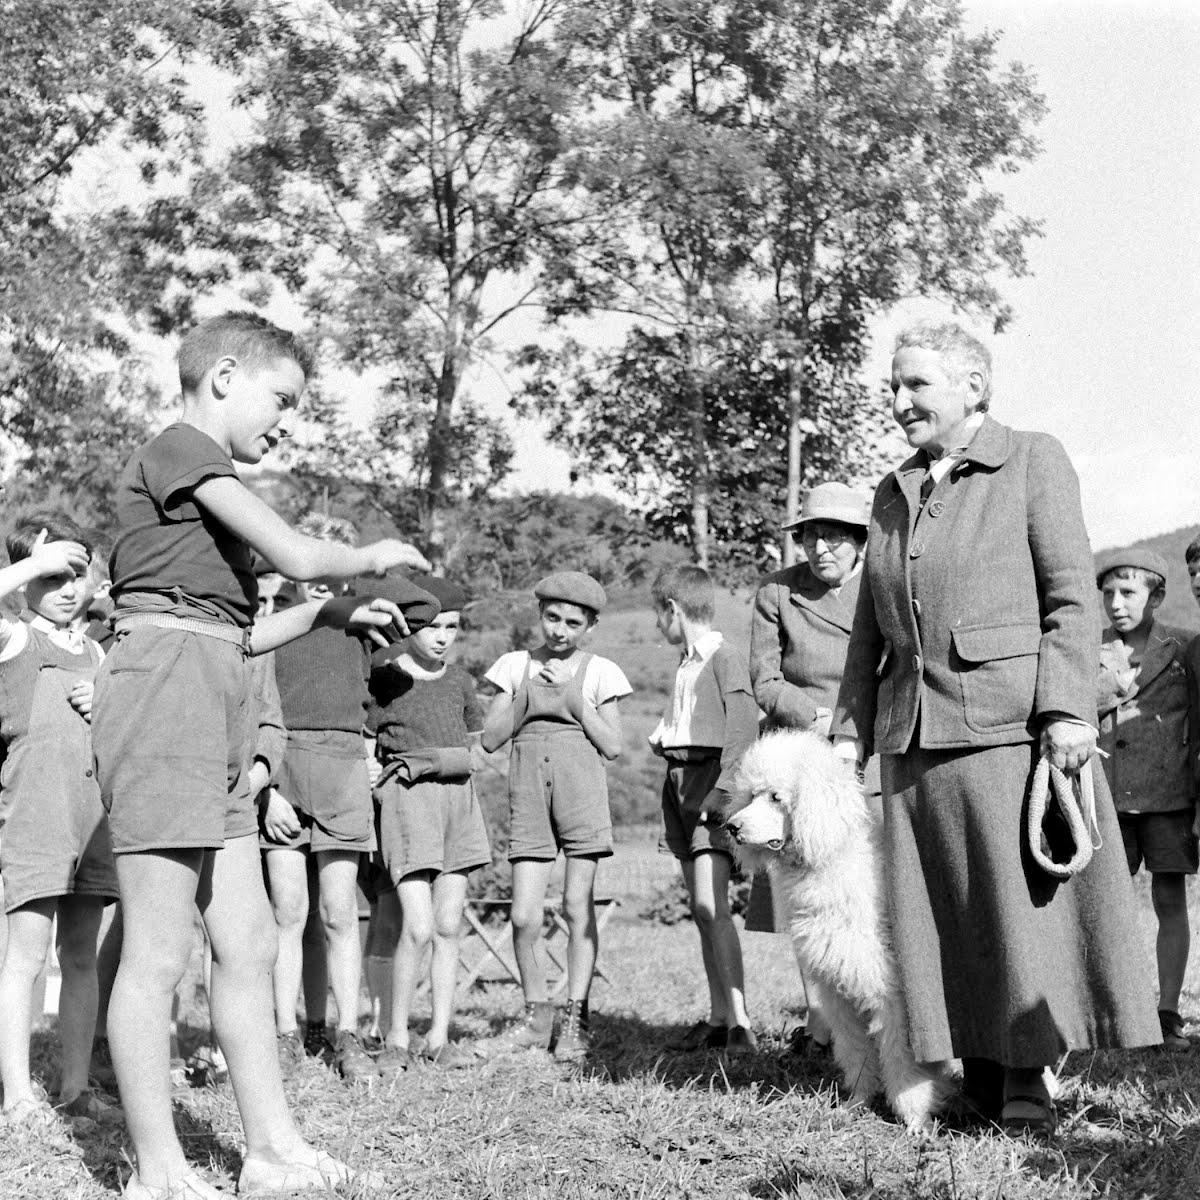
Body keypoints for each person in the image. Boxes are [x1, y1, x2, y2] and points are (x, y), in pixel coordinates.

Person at [90, 310, 429, 1199]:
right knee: (158, 954)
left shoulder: (207, 492)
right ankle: (158, 1170)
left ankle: (271, 1150)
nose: (285, 421)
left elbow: (236, 632)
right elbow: (296, 551)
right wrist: (366, 560)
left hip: (216, 682)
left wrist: (324, 615)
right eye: (282, 399)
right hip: (164, 689)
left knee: (245, 942)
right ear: (226, 373)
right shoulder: (178, 447)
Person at [832, 320, 1159, 1137]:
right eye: (893, 386)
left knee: (1015, 915)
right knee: (942, 915)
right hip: (912, 737)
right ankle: (974, 1074)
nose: (898, 400)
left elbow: (1072, 598)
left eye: (917, 385)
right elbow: (869, 631)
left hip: (1010, 729)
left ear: (974, 385)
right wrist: (849, 731)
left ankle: (1025, 1081)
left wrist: (1066, 710)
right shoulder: (892, 488)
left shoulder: (1031, 459)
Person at [260, 513, 437, 1085]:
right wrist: (266, 795)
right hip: (283, 768)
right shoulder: (273, 626)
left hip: (341, 769)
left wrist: (367, 564)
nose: (316, 573)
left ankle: (347, 1034)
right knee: (289, 912)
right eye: (305, 556)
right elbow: (250, 716)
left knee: (340, 913)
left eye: (327, 560)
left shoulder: (364, 626)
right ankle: (286, 1032)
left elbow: (423, 610)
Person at [744, 481, 875, 1048]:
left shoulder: (878, 589)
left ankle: (875, 1007)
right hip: (793, 760)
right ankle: (823, 1023)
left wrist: (851, 727)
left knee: (856, 885)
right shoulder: (776, 593)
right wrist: (814, 717)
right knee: (800, 887)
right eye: (811, 536)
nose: (821, 548)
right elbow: (764, 677)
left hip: (863, 750)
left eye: (835, 537)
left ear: (859, 541)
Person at [480, 571, 629, 1060]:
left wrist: (575, 701)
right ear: (539, 616)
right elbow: (490, 738)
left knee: (575, 906)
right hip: (527, 794)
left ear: (590, 626)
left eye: (572, 622)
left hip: (581, 792)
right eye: (552, 618)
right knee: (523, 915)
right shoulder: (514, 665)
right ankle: (534, 1014)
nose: (560, 630)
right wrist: (526, 697)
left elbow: (613, 746)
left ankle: (575, 1018)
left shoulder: (600, 670)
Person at [0, 515, 118, 1127]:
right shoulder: (15, 636)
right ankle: (17, 1095)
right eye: (53, 576)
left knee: (80, 954)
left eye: (76, 574)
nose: (67, 588)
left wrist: (108, 698)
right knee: (24, 955)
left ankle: (75, 1089)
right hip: (34, 810)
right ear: (25, 582)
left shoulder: (100, 651)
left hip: (93, 816)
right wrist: (28, 566)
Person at [367, 575, 491, 1071]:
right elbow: (366, 741)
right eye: (432, 626)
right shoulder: (386, 677)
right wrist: (375, 770)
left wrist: (442, 759)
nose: (442, 636)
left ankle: (438, 1036)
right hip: (407, 801)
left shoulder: (461, 683)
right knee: (415, 928)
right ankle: (396, 1037)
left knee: (447, 924)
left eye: (452, 627)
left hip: (458, 802)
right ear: (409, 626)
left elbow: (478, 750)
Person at [649, 565, 759, 1053]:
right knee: (699, 906)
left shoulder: (723, 657)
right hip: (678, 779)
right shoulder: (687, 662)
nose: (657, 625)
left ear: (672, 609)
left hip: (709, 780)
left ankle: (740, 1022)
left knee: (714, 905)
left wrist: (722, 792)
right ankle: (717, 1017)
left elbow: (742, 727)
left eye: (659, 615)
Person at [1095, 547, 1199, 1050]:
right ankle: (1113, 1008)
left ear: (1157, 596)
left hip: (1169, 798)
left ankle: (1166, 1011)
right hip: (1106, 802)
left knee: (1169, 900)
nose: (1116, 603)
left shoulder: (1184, 649)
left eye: (1129, 592)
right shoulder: (1085, 650)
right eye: (1108, 593)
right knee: (1105, 907)